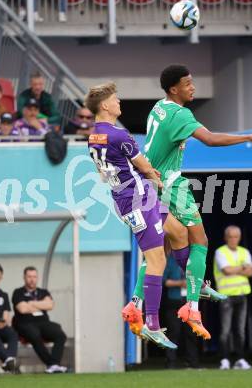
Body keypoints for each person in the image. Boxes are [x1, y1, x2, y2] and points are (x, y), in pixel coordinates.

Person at [125, 64, 252, 340]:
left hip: (147, 183)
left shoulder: (160, 106)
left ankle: (136, 303)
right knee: (200, 239)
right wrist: (249, 137)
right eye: (188, 83)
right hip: (168, 182)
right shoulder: (181, 114)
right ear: (173, 89)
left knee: (163, 247)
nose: (193, 87)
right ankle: (193, 304)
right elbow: (211, 140)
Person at [86, 82, 178, 349]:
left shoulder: (94, 135)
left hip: (130, 198)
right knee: (157, 259)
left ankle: (135, 303)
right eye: (115, 99)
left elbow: (105, 173)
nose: (119, 103)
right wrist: (156, 176)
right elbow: (145, 166)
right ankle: (151, 324)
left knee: (175, 234)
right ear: (105, 105)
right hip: (138, 200)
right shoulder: (119, 135)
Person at [12, 267, 67, 374]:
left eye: (34, 277)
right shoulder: (18, 292)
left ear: (37, 278)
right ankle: (52, 364)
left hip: (43, 323)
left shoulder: (43, 291)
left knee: (60, 335)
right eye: (29, 277)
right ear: (24, 277)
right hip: (25, 323)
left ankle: (53, 364)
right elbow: (22, 309)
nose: (32, 279)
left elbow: (50, 305)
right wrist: (41, 305)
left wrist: (31, 303)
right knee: (34, 334)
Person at [214, 226, 252, 370]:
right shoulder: (220, 251)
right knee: (226, 330)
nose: (233, 239)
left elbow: (251, 272)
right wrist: (242, 267)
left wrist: (235, 269)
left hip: (242, 294)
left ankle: (240, 359)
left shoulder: (245, 251)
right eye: (230, 236)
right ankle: (224, 359)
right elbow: (226, 270)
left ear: (240, 237)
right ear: (225, 238)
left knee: (240, 330)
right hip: (226, 295)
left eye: (236, 236)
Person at [163, 256, 199, 369]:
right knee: (174, 332)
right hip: (174, 301)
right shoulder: (170, 261)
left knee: (191, 333)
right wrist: (180, 283)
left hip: (190, 301)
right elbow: (164, 281)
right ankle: (170, 363)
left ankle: (192, 363)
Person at [0, 263, 19, 374]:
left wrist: (4, 322)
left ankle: (8, 361)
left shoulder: (3, 294)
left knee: (12, 333)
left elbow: (6, 313)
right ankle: (10, 362)